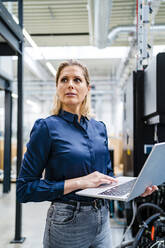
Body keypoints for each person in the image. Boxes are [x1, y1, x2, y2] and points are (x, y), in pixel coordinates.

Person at [16, 60, 157, 248]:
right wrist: (80, 182)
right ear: (57, 87)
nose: (70, 85)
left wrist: (135, 190)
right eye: (64, 80)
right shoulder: (47, 127)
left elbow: (108, 177)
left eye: (77, 80)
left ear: (87, 88)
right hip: (67, 221)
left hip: (102, 219)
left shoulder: (99, 128)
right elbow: (24, 189)